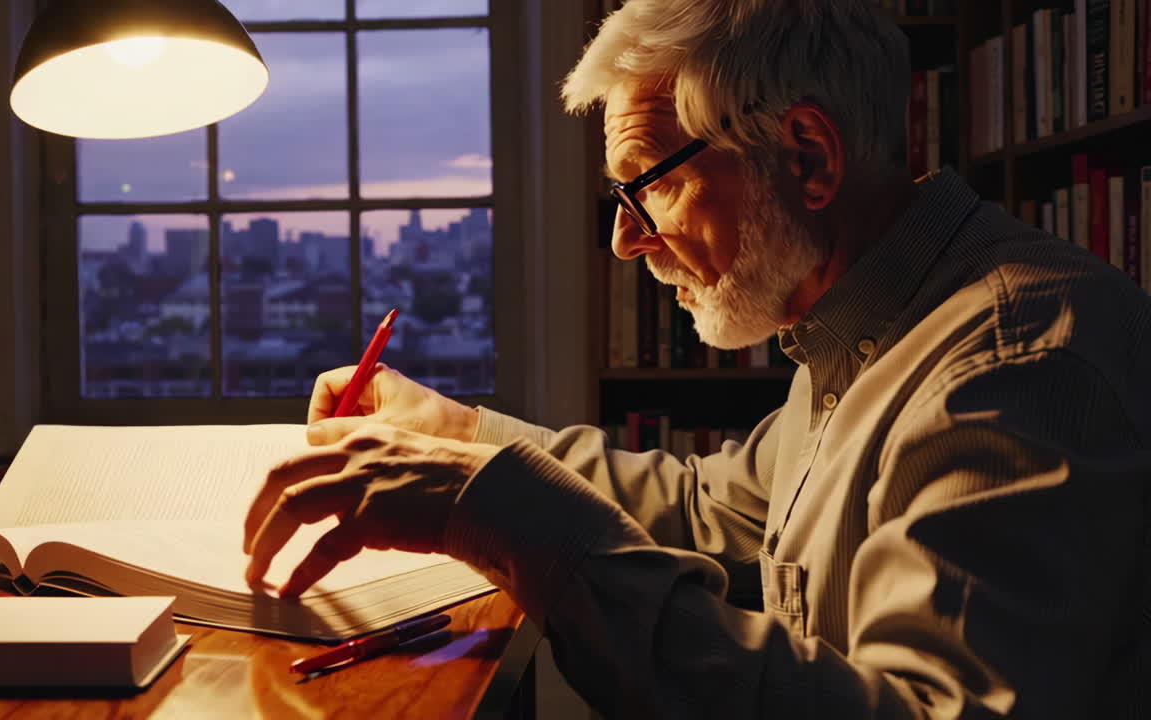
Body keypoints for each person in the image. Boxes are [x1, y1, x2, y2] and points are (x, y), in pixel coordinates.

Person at [243, 1, 1151, 717]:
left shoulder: (1008, 367)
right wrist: (462, 439)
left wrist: (506, 521)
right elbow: (711, 510)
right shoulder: (866, 329)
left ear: (807, 157)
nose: (624, 242)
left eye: (654, 185)